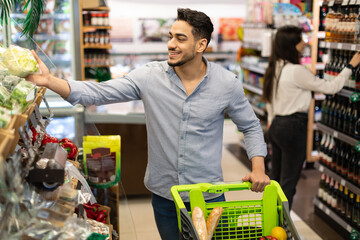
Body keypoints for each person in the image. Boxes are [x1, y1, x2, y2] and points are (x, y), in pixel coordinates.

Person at [27, 8, 270, 239]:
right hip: (165, 196)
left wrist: (258, 167)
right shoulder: (150, 76)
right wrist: (50, 81)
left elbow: (250, 125)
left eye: (180, 39)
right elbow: (97, 93)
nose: (171, 44)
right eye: (171, 36)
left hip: (208, 195)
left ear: (201, 45)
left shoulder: (226, 84)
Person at [262, 25, 360, 210]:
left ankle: (272, 225)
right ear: (293, 45)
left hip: (276, 126)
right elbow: (330, 88)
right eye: (301, 40)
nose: (304, 43)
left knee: (275, 180)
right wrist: (350, 66)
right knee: (288, 184)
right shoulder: (296, 71)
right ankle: (283, 229)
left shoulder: (275, 66)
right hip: (292, 127)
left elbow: (270, 103)